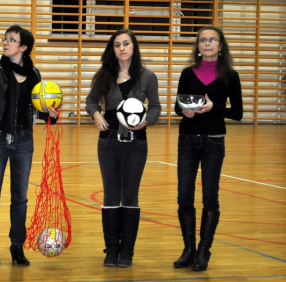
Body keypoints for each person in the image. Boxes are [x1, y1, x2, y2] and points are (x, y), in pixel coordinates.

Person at [0, 25, 59, 266]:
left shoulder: (35, 75)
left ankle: (17, 247)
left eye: (12, 40)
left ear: (24, 47)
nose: (6, 43)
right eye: (5, 39)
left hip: (23, 140)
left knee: (20, 198)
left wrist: (53, 114)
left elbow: (41, 111)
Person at [85, 29, 161, 267]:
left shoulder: (148, 77)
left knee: (130, 195)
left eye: (126, 44)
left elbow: (156, 107)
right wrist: (96, 114)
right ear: (113, 50)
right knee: (110, 195)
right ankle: (111, 250)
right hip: (107, 141)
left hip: (136, 143)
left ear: (133, 47)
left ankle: (127, 251)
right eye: (117, 45)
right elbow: (90, 102)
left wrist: (147, 120)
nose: (122, 48)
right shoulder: (104, 75)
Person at [173, 26, 243, 271]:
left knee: (210, 196)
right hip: (188, 140)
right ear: (198, 45)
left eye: (212, 40)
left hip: (214, 140)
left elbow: (237, 113)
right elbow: (177, 107)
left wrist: (214, 107)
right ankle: (188, 249)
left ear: (221, 46)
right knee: (184, 196)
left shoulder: (230, 76)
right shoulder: (187, 73)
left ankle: (204, 251)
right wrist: (185, 110)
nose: (207, 43)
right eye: (203, 40)